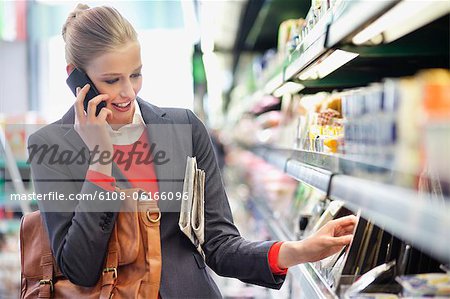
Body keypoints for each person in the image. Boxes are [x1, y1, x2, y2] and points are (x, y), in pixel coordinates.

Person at [27, 4, 356, 298]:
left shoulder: (182, 129)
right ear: (76, 77)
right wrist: (100, 159)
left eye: (136, 74)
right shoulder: (51, 145)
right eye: (112, 80)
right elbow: (79, 268)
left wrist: (299, 250)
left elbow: (219, 245)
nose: (128, 91)